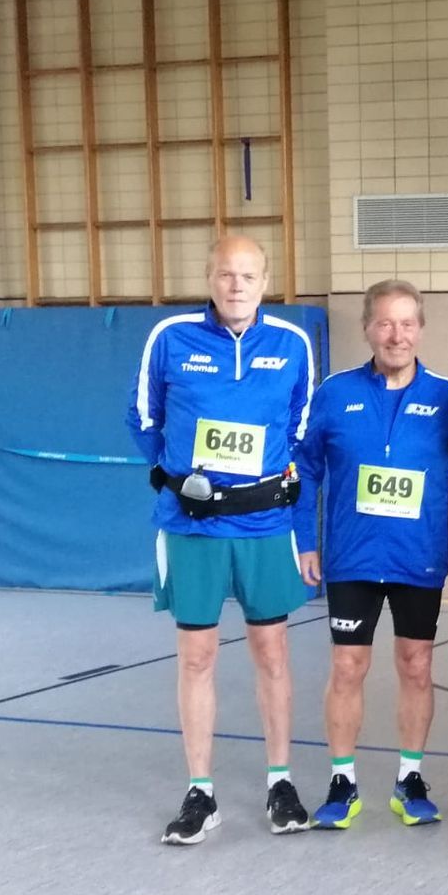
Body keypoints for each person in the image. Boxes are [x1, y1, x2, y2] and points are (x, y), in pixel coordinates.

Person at [132, 235, 316, 845]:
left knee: (272, 653)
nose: (237, 285)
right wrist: (178, 474)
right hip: (193, 526)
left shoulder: (291, 344)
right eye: (226, 274)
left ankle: (280, 782)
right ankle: (200, 791)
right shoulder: (170, 338)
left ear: (266, 281)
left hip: (265, 524)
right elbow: (143, 419)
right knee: (197, 656)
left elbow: (300, 427)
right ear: (209, 278)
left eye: (248, 275)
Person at [293, 279, 448, 831]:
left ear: (420, 328)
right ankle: (342, 782)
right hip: (351, 557)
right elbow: (305, 469)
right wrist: (305, 540)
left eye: (407, 323)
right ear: (368, 328)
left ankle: (410, 778)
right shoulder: (333, 393)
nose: (397, 335)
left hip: (418, 558)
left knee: (416, 665)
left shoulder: (447, 397)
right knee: (347, 666)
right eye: (385, 323)